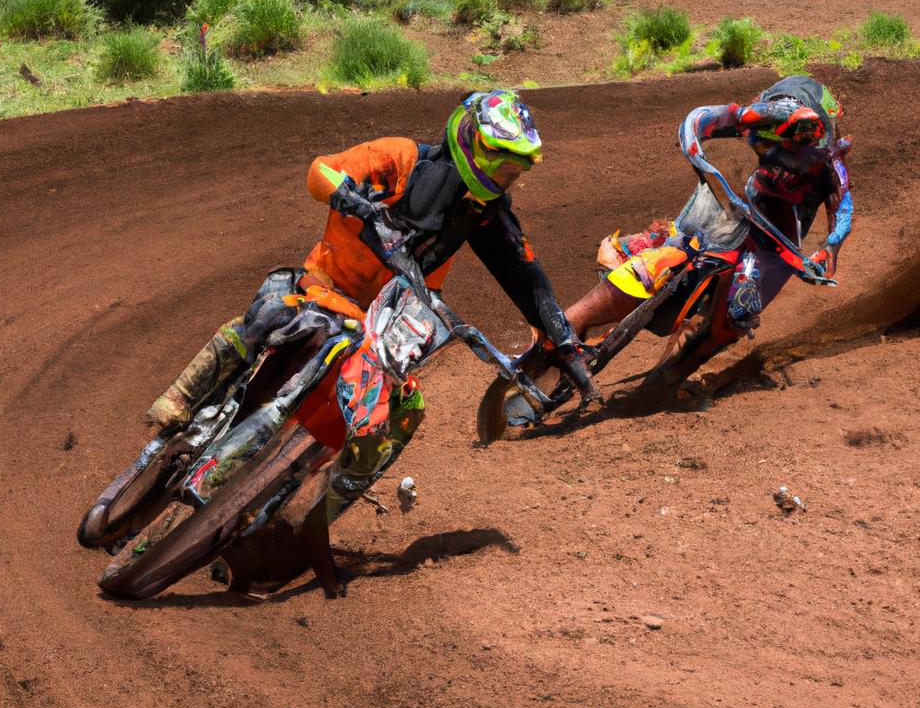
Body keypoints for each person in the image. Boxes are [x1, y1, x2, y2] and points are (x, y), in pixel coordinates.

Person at [145, 90, 597, 591]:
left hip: (386, 325)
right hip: (324, 287)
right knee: (267, 314)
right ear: (472, 144)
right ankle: (183, 397)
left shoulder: (483, 211)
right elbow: (321, 170)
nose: (509, 178)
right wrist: (347, 195)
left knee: (402, 414)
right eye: (503, 163)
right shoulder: (399, 159)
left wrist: (566, 347)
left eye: (516, 171)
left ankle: (296, 527)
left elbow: (524, 274)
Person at [564, 76, 853, 355]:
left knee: (740, 310)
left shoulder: (826, 160)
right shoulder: (778, 118)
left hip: (768, 248)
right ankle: (560, 334)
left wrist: (827, 250)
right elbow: (719, 119)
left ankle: (683, 361)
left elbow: (842, 210)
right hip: (720, 219)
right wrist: (697, 136)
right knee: (653, 258)